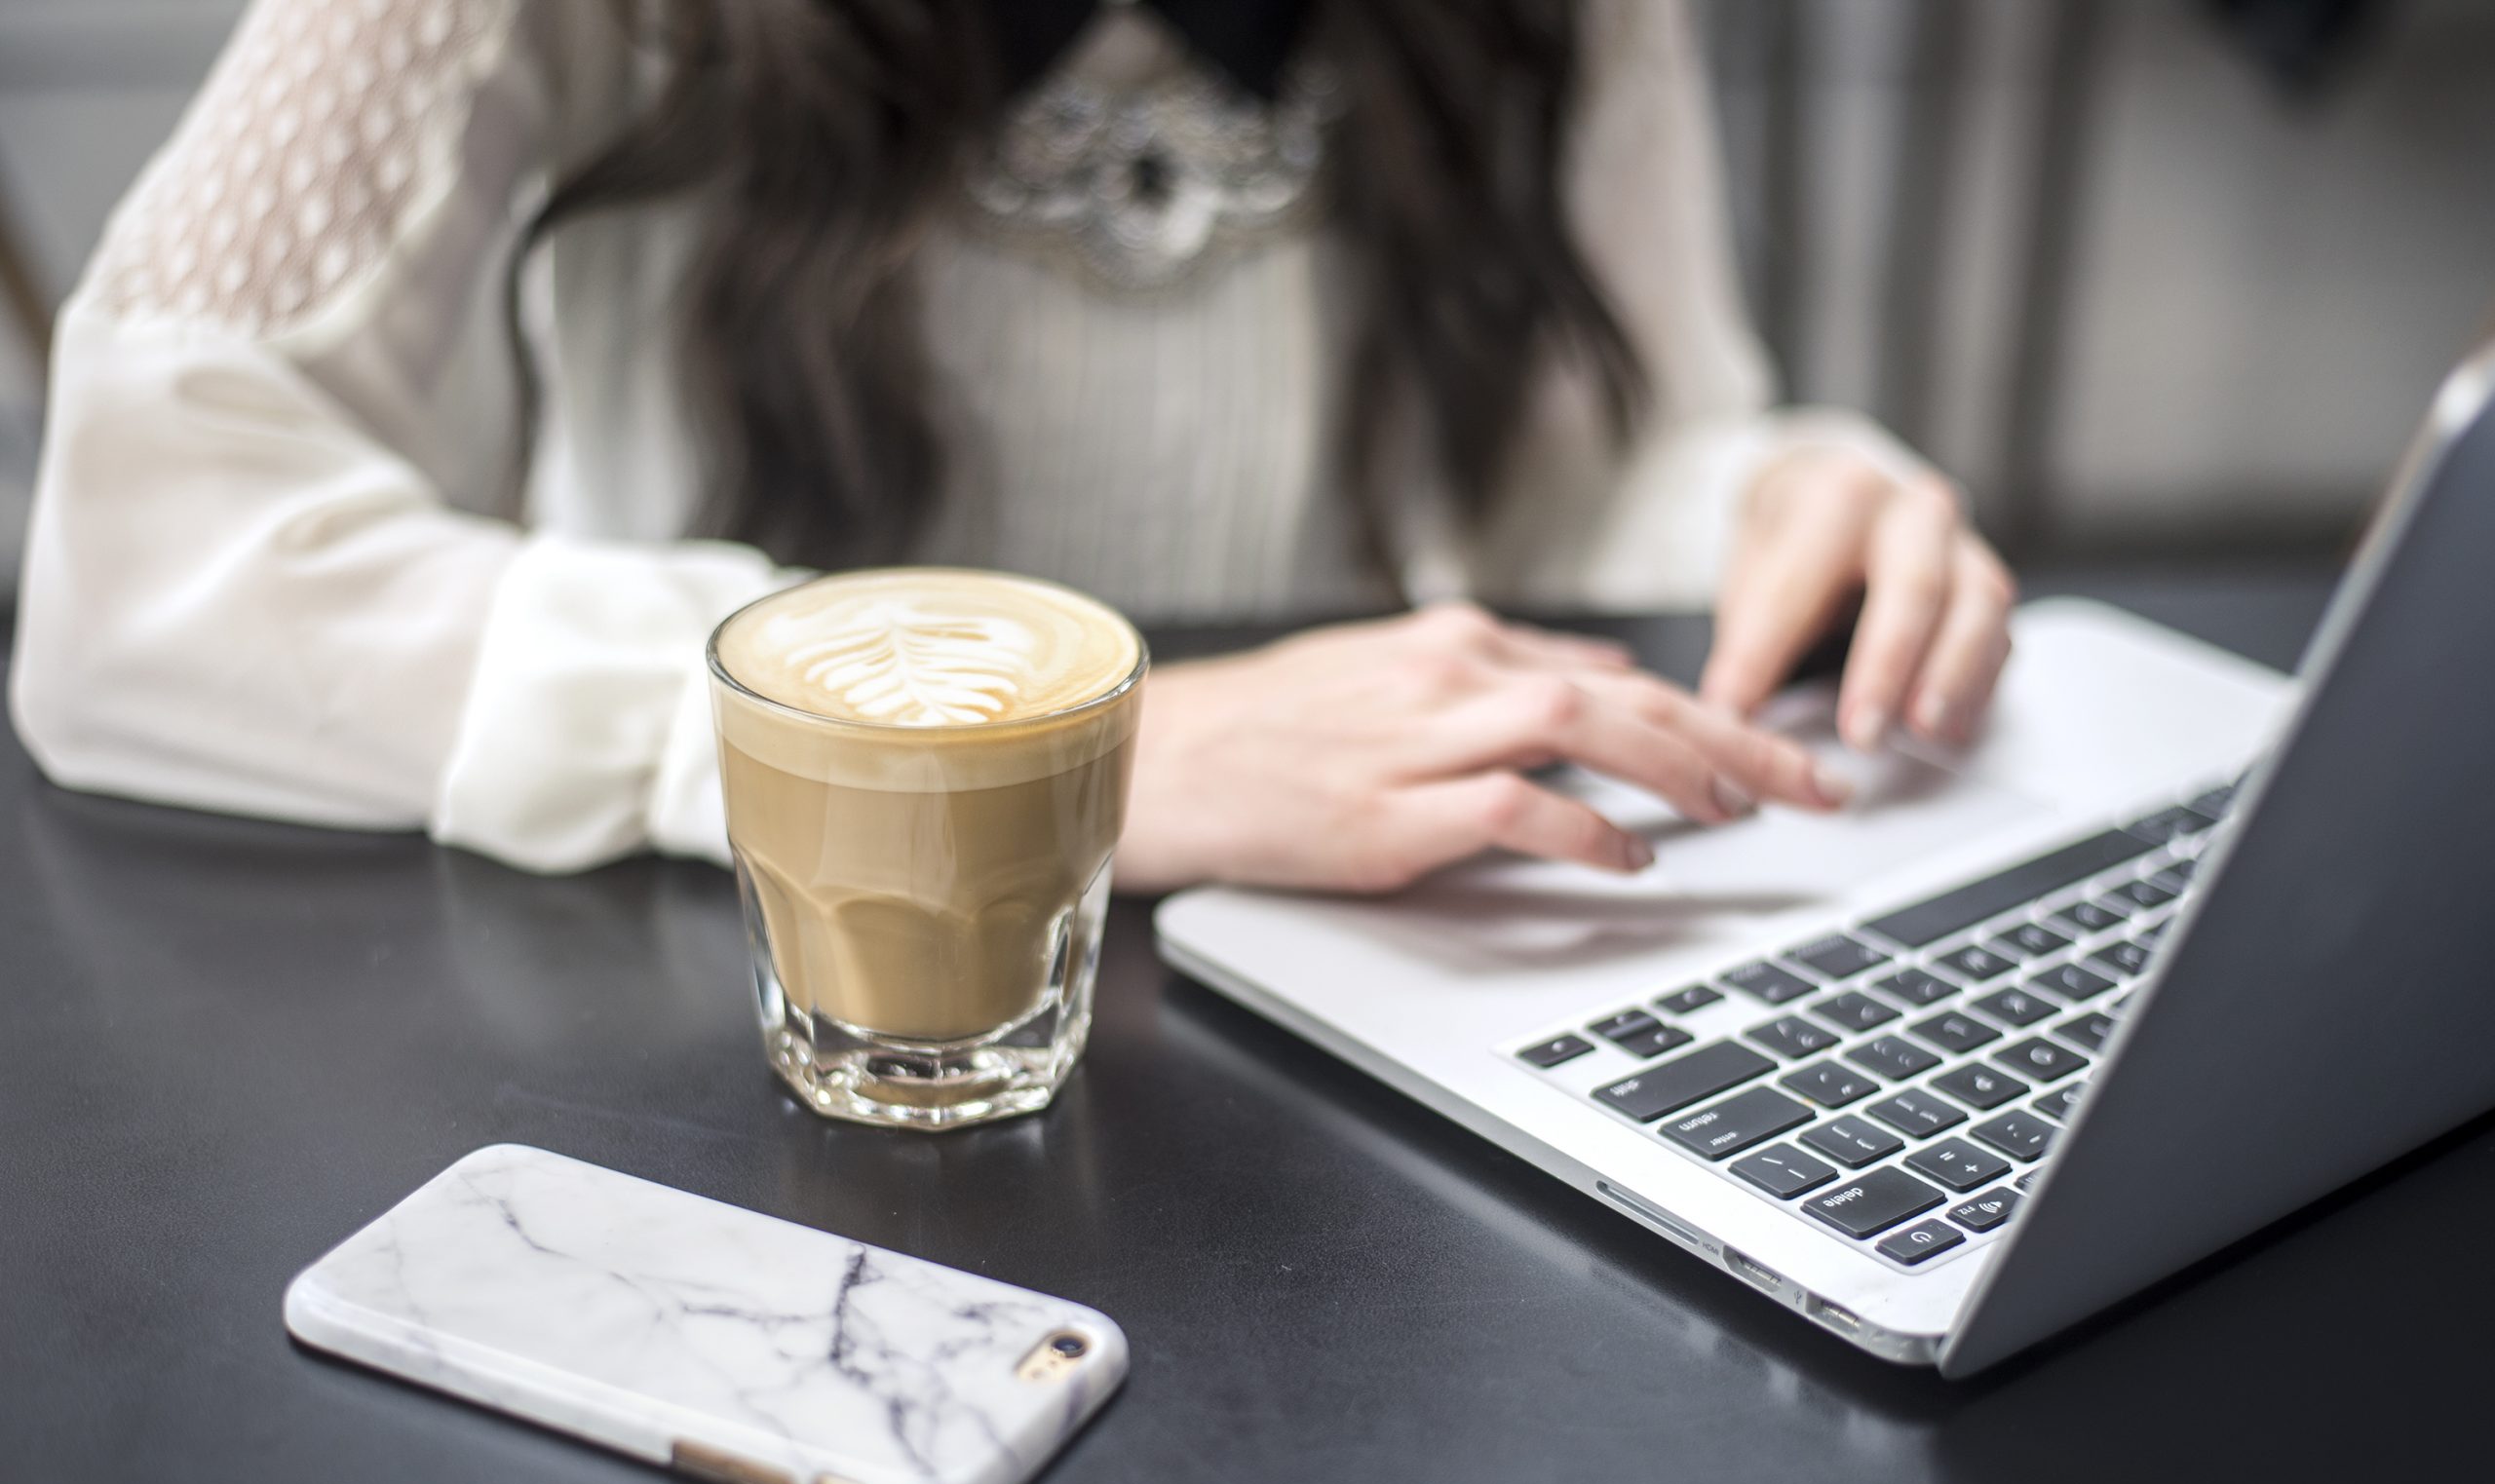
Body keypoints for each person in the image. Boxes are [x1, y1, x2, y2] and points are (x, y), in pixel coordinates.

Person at [7, 0, 2013, 893]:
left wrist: (1765, 499)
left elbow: (1595, 467)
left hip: (1346, 971)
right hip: (732, 1004)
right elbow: (142, 571)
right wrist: (1035, 764)